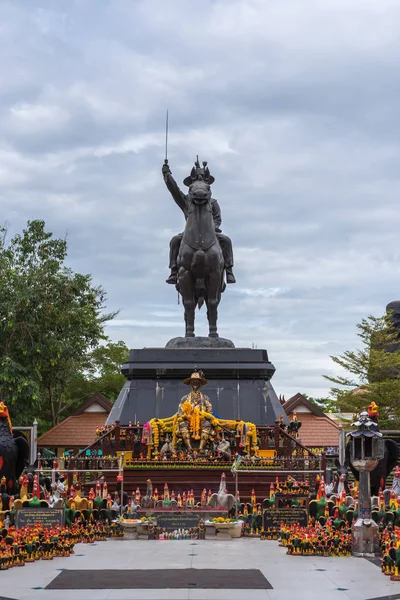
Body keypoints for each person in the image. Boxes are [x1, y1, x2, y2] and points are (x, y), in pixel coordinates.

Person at [162, 160, 236, 285]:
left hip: (210, 232)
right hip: (190, 232)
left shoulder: (213, 203)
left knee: (226, 241)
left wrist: (213, 228)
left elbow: (217, 218)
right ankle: (174, 271)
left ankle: (229, 270)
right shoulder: (186, 201)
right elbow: (174, 190)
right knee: (175, 240)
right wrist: (167, 175)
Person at [178, 370, 213, 452]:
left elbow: (210, 413)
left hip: (202, 420)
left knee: (207, 424)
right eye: (193, 382)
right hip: (188, 420)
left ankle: (201, 447)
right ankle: (189, 447)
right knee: (182, 424)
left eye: (197, 382)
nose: (195, 384)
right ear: (190, 384)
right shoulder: (185, 398)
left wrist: (203, 415)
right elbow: (180, 413)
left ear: (200, 384)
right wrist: (186, 416)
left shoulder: (205, 398)